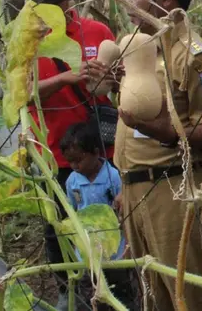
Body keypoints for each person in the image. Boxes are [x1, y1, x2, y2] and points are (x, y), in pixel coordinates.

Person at [107, 0, 202, 310]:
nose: (127, 1)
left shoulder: (198, 56)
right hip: (137, 188)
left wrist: (167, 130)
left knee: (192, 296)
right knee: (153, 294)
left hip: (177, 191)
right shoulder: (137, 47)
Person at [30, 0, 117, 310]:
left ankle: (111, 287)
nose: (59, 2)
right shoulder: (31, 39)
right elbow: (22, 94)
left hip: (101, 154)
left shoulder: (97, 31)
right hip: (53, 156)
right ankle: (70, 293)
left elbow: (119, 83)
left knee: (108, 222)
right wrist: (65, 78)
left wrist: (109, 78)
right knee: (58, 229)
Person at [61, 122, 138, 310]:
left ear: (96, 152)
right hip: (86, 249)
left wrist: (128, 245)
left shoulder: (114, 177)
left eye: (78, 160)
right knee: (92, 292)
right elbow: (73, 212)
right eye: (70, 161)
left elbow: (126, 215)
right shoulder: (72, 181)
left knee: (121, 290)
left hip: (115, 249)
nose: (74, 166)